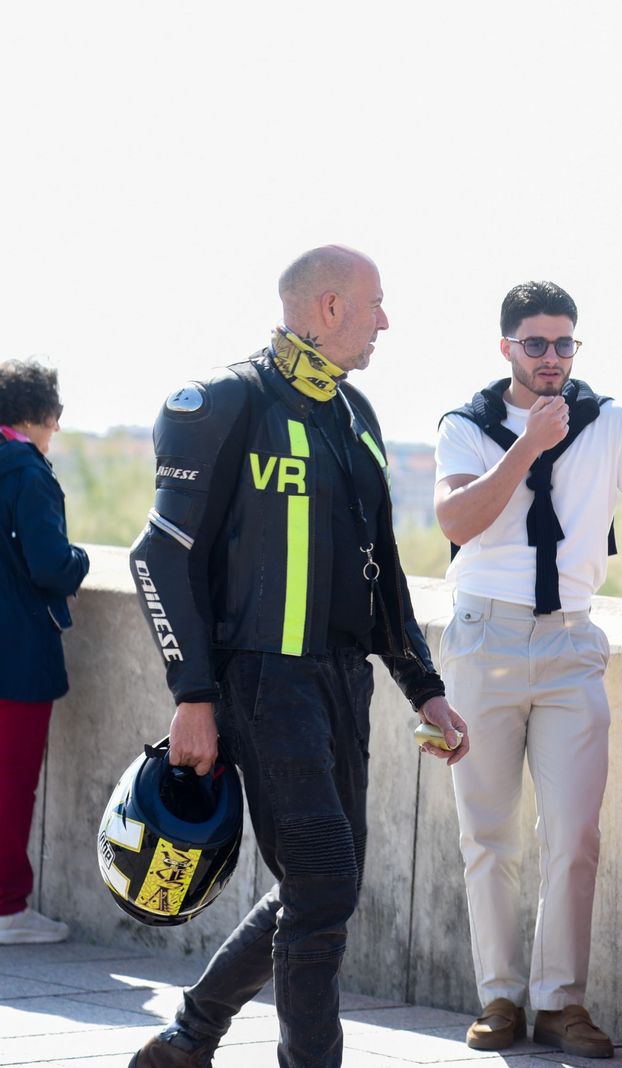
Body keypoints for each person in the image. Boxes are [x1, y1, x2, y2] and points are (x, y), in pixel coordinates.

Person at [128, 246, 469, 1068]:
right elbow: (158, 557)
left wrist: (423, 686)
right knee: (321, 885)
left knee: (321, 887)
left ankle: (188, 1039)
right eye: (375, 303)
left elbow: (380, 565)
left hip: (341, 682)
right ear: (327, 306)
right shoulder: (222, 401)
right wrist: (193, 694)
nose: (386, 321)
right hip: (259, 680)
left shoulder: (358, 415)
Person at [433, 280, 622, 1057]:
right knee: (489, 832)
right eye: (535, 343)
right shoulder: (465, 426)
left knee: (575, 834)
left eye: (564, 343)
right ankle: (499, 998)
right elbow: (459, 521)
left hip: (571, 643)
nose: (551, 358)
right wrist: (528, 446)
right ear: (506, 346)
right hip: (485, 639)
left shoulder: (614, 425)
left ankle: (561, 1002)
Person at [0, 359, 88, 946]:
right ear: (39, 414)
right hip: (17, 658)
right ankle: (8, 908)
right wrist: (80, 558)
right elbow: (51, 564)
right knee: (11, 783)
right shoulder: (26, 473)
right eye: (55, 418)